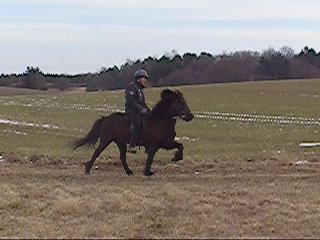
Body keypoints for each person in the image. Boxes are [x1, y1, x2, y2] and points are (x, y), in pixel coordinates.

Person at [125, 69, 150, 153]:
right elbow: (131, 101)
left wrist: (148, 110)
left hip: (139, 111)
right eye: (144, 78)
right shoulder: (132, 87)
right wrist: (140, 109)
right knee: (138, 124)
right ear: (139, 79)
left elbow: (143, 103)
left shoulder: (140, 90)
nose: (145, 81)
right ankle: (131, 146)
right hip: (132, 112)